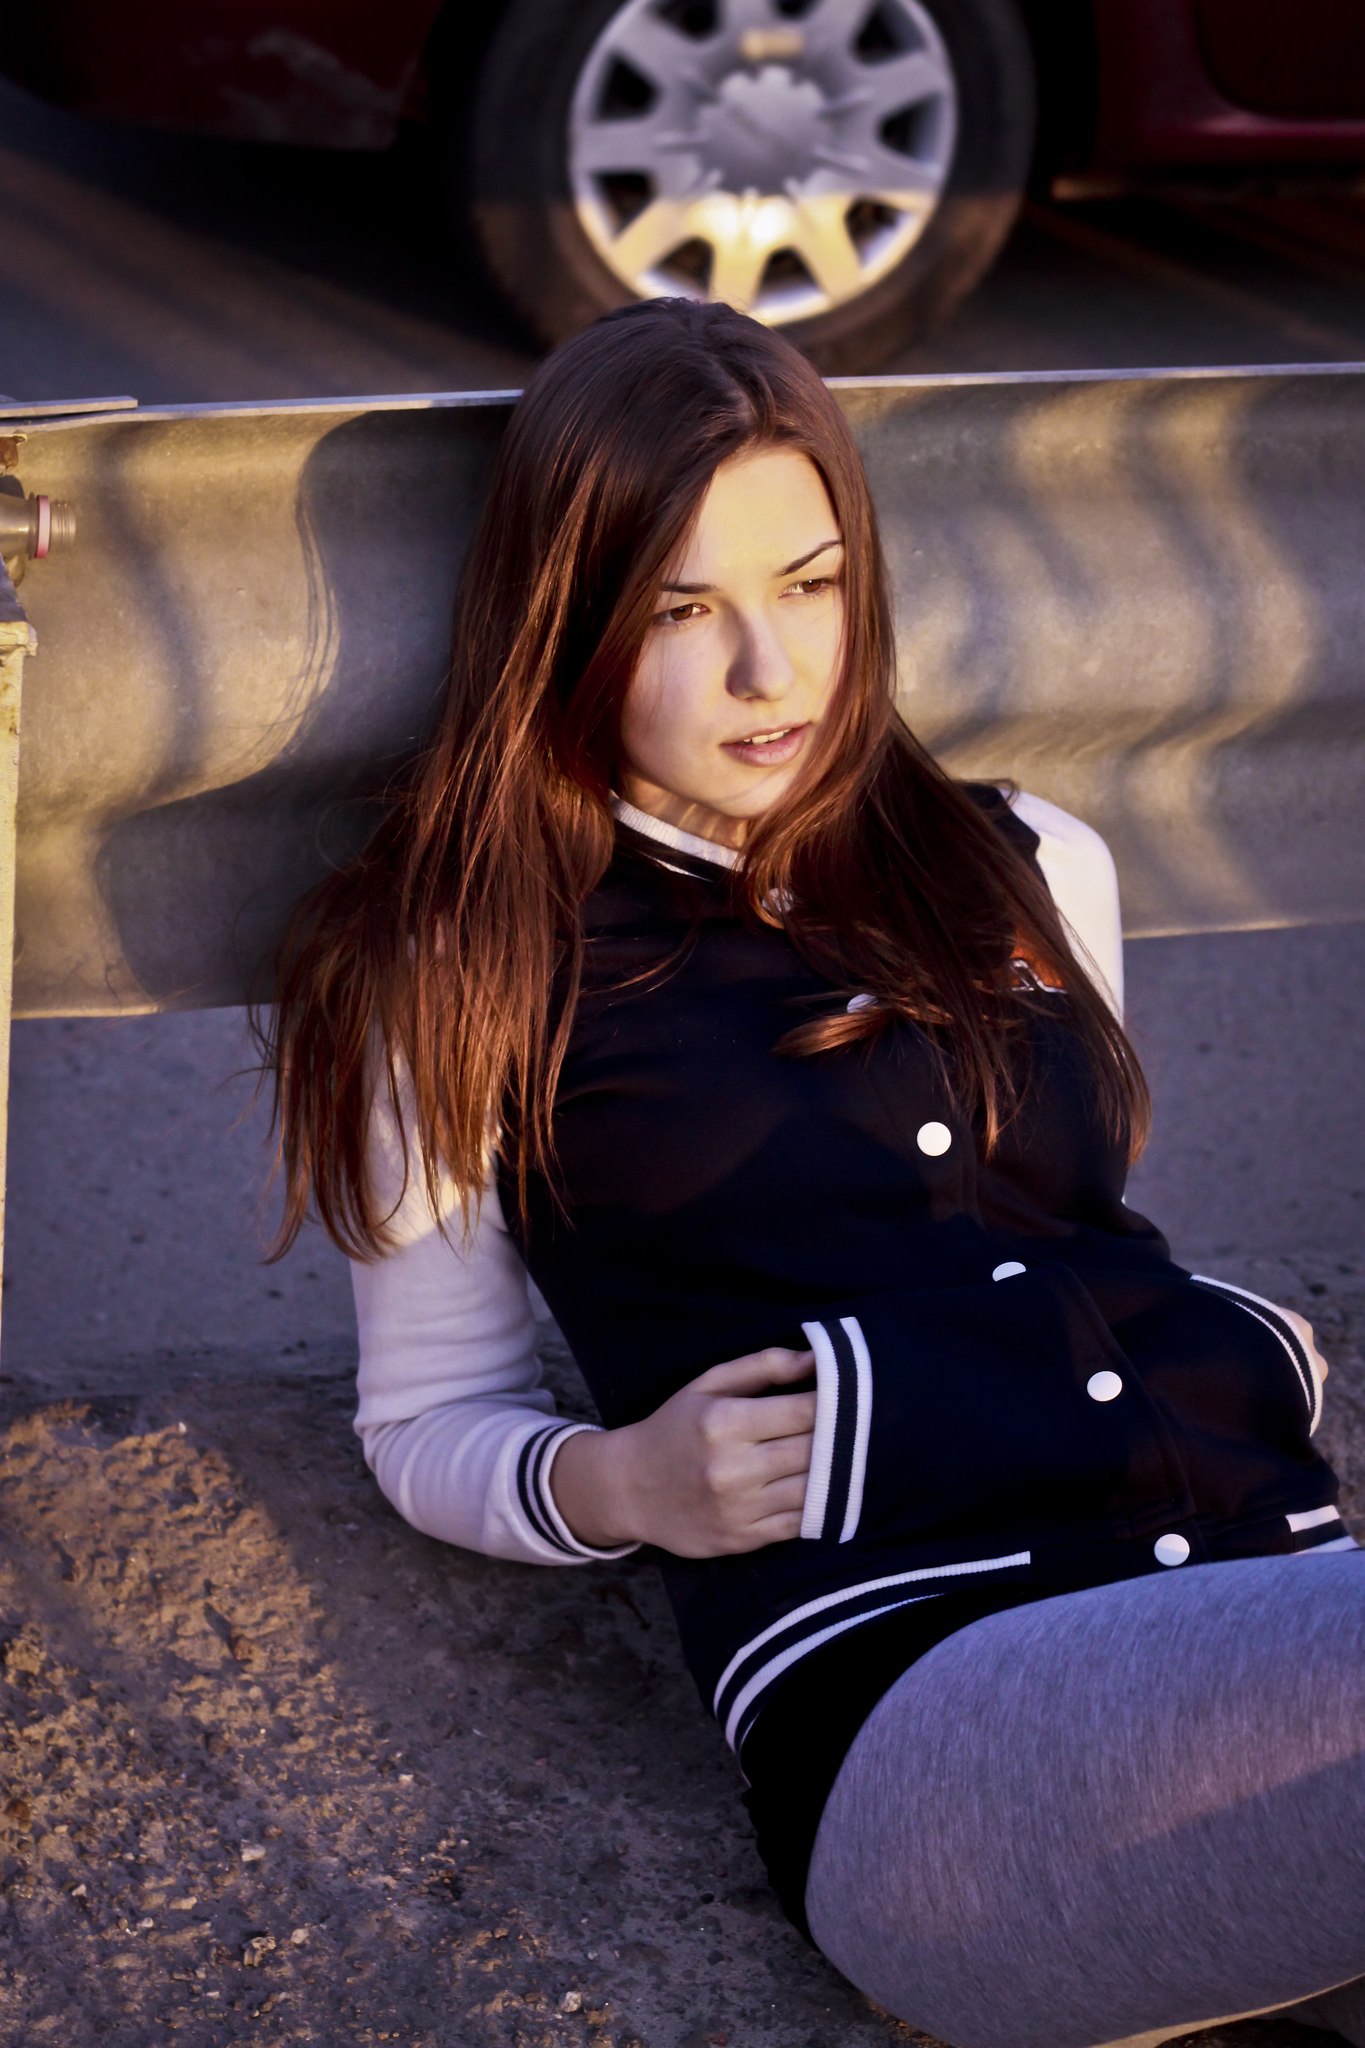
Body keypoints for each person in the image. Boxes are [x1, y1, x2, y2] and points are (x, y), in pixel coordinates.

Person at [258, 298, 1365, 2048]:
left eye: (810, 584)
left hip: (1259, 1588)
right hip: (932, 1722)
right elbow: (427, 1419)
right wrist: (621, 1482)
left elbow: (1063, 1229)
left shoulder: (1034, 861)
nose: (767, 672)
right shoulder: (463, 970)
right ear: (565, 621)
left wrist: (1222, 1338)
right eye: (679, 610)